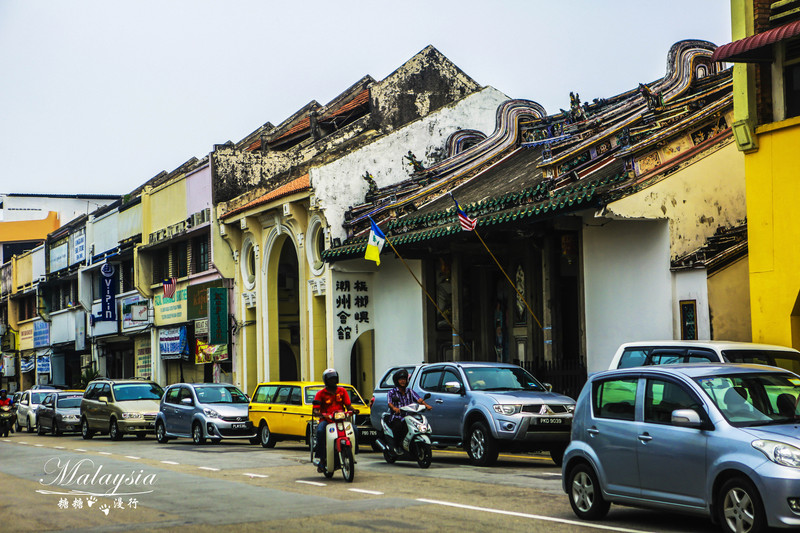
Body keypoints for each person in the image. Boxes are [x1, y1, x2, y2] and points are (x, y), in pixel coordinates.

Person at [312, 368, 352, 472]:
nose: (332, 381)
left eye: (334, 379)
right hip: (327, 420)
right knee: (320, 431)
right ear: (325, 381)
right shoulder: (320, 394)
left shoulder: (342, 391)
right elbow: (315, 410)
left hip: (340, 420)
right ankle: (321, 459)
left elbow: (348, 406)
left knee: (354, 430)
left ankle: (352, 453)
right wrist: (321, 415)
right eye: (330, 379)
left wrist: (354, 410)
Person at [387, 369, 431, 453]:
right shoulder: (392, 392)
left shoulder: (409, 391)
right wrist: (395, 408)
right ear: (397, 381)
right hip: (397, 416)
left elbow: (419, 400)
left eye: (404, 379)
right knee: (399, 427)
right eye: (400, 379)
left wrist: (426, 405)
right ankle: (397, 446)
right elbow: (390, 403)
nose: (403, 381)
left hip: (410, 416)